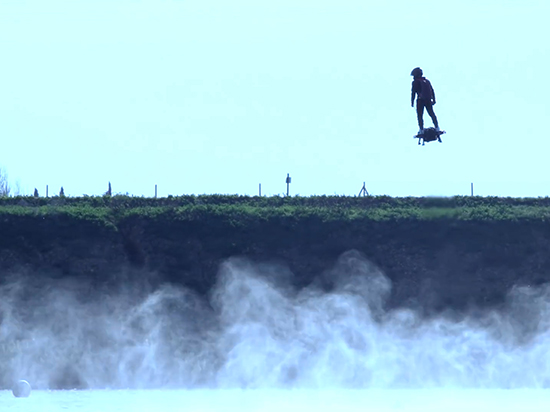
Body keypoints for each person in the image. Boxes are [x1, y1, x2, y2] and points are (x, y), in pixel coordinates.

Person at [410, 67, 439, 134]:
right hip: (428, 100)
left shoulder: (415, 82)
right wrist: (434, 100)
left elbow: (413, 92)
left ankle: (421, 129)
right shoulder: (427, 81)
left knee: (420, 115)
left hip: (420, 100)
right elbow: (432, 90)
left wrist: (412, 102)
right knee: (432, 114)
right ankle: (437, 127)